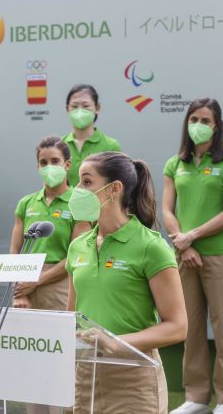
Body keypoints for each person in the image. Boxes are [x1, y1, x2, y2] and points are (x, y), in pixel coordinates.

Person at [65, 151, 187, 413]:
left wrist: (117, 342)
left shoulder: (151, 247)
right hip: (86, 374)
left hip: (135, 377)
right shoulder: (77, 246)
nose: (77, 190)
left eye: (86, 182)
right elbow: (71, 317)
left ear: (114, 189)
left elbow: (177, 327)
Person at [163, 99, 223, 414]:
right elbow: (167, 211)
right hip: (186, 258)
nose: (198, 124)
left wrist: (193, 236)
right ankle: (196, 397)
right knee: (191, 329)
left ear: (217, 125)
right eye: (194, 118)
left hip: (220, 258)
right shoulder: (175, 164)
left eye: (206, 120)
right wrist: (185, 246)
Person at [9, 136, 88, 414]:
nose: (49, 167)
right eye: (43, 162)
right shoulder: (26, 204)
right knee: (31, 361)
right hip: (25, 286)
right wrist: (20, 292)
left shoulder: (79, 203)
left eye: (55, 161)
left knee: (58, 360)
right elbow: (16, 251)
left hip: (60, 283)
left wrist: (38, 281)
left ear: (67, 164)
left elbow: (75, 255)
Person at [61, 84, 121, 187]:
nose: (80, 111)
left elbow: (117, 187)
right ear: (67, 109)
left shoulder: (111, 146)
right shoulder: (59, 146)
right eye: (74, 106)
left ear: (97, 108)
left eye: (85, 106)